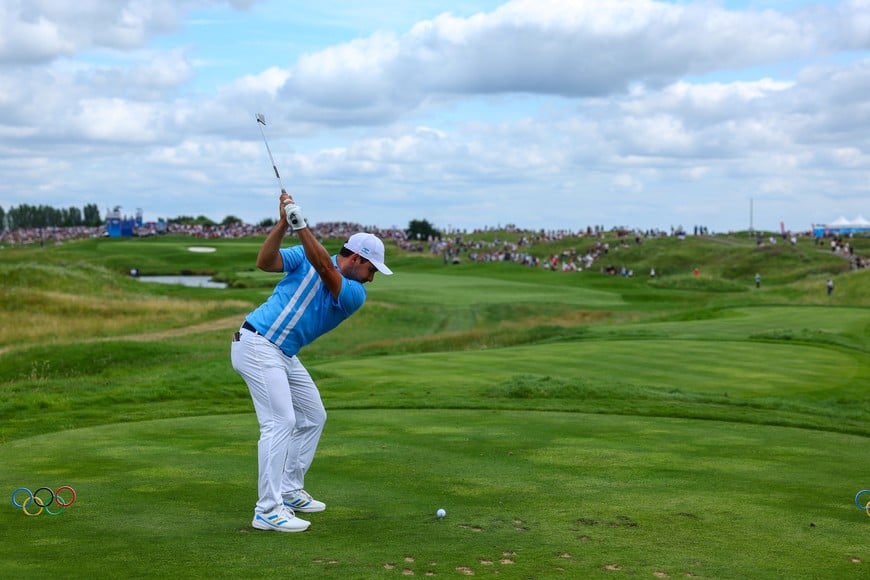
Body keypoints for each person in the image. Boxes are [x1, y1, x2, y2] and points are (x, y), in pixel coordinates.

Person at [231, 193, 393, 533]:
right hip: (258, 343)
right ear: (358, 259)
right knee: (280, 423)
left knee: (313, 415)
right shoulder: (303, 258)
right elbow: (265, 261)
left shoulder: (353, 292)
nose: (372, 278)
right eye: (371, 269)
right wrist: (282, 223)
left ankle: (289, 490)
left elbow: (324, 268)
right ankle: (267, 509)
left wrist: (300, 225)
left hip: (282, 354)